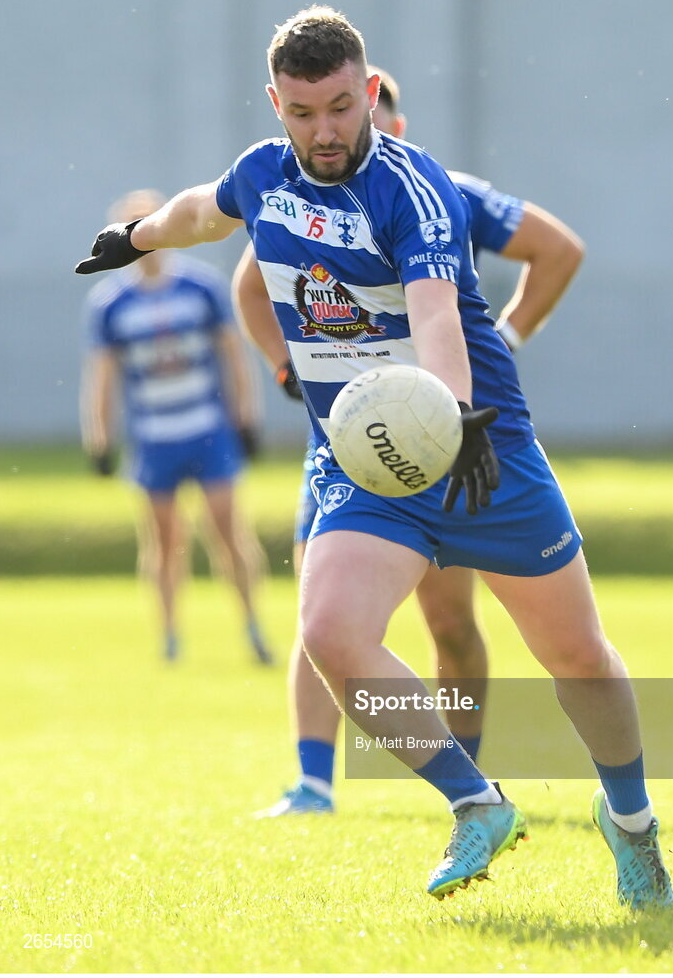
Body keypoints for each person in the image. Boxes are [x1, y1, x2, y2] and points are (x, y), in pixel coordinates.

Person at [75, 7, 673, 909]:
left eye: (344, 107)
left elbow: (435, 312)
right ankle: (474, 802)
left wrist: (459, 414)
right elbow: (204, 211)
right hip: (365, 462)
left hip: (479, 449)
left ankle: (632, 826)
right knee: (331, 636)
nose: (327, 131)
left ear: (368, 92)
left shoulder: (414, 187)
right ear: (276, 103)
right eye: (306, 112)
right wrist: (141, 237)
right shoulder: (261, 175)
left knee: (577, 657)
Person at [231, 65, 586, 816]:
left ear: (388, 123)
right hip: (347, 440)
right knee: (325, 610)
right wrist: (283, 366)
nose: (336, 135)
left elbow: (558, 249)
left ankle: (468, 779)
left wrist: (506, 342)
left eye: (366, 117)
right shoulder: (295, 197)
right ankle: (313, 782)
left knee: (450, 622)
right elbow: (246, 285)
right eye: (311, 116)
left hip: (448, 436)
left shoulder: (441, 191)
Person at [80, 189, 273, 665]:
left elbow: (234, 355)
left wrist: (247, 420)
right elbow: (101, 376)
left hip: (207, 429)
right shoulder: (111, 303)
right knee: (164, 542)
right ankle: (170, 637)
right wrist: (99, 440)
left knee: (229, 532)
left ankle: (253, 628)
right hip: (153, 436)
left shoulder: (200, 287)